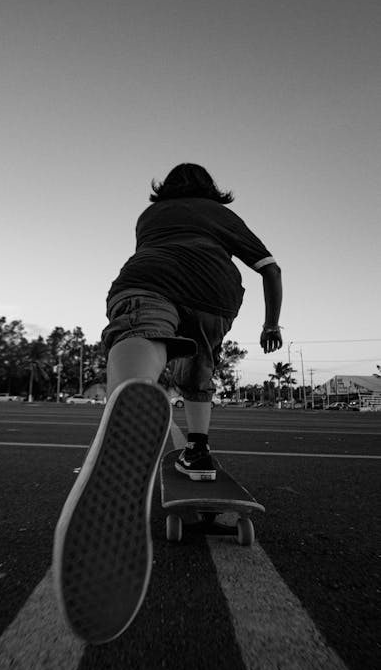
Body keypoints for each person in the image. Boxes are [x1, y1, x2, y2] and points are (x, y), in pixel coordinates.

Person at [53, 163, 282, 644]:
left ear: (165, 189)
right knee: (199, 372)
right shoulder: (219, 215)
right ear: (211, 189)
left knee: (143, 327)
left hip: (149, 276)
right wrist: (271, 324)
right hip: (214, 294)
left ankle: (129, 395)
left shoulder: (149, 217)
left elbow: (158, 262)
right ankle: (196, 446)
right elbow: (269, 267)